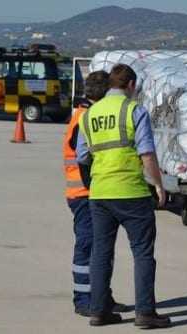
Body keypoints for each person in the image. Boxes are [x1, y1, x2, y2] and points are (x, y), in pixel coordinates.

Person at [76, 64, 171, 329]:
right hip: (131, 192)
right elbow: (147, 155)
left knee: (101, 253)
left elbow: (82, 156)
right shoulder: (134, 110)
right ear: (130, 85)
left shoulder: (89, 114)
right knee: (142, 253)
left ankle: (99, 310)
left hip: (100, 193)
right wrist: (159, 186)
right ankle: (145, 313)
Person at [63, 71, 132, 317]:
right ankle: (84, 299)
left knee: (101, 248)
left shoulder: (83, 114)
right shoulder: (85, 118)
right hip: (84, 193)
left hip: (89, 192)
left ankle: (102, 297)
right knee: (88, 247)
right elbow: (84, 158)